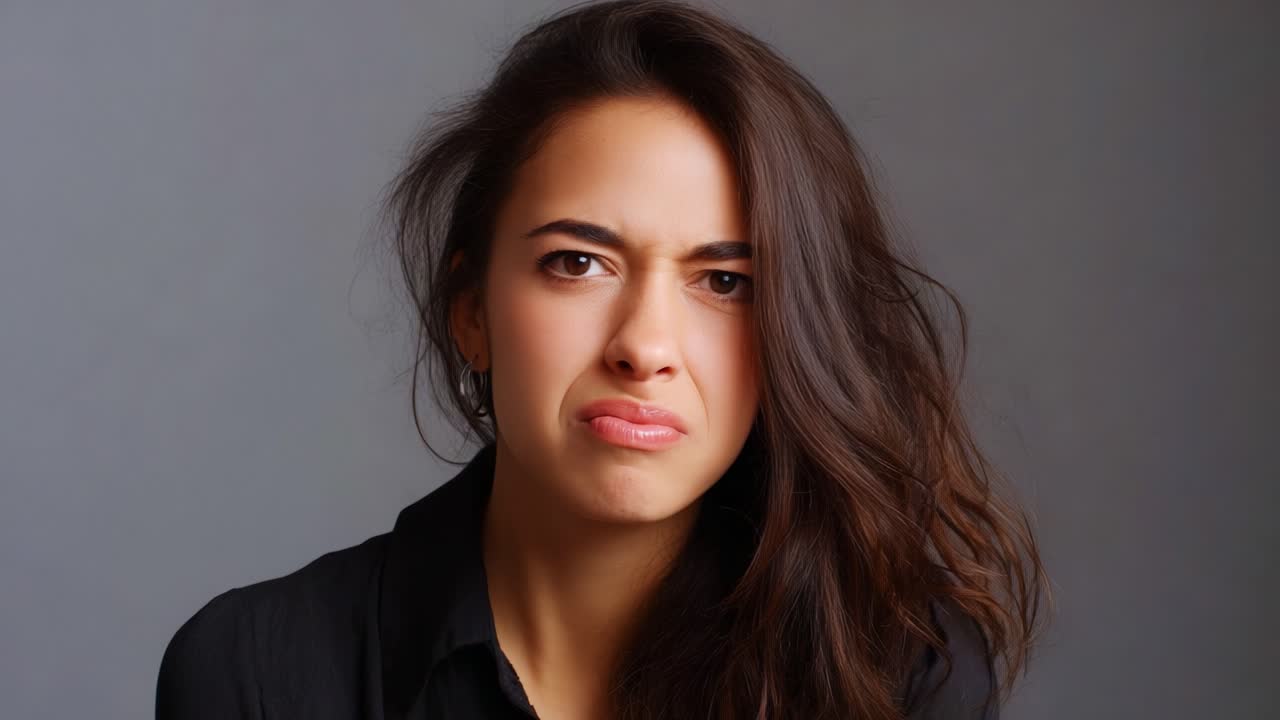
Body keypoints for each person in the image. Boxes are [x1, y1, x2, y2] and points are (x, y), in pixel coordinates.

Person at [156, 1, 1051, 718]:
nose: (644, 348)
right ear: (470, 311)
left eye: (726, 281)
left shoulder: (900, 669)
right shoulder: (255, 674)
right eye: (577, 264)